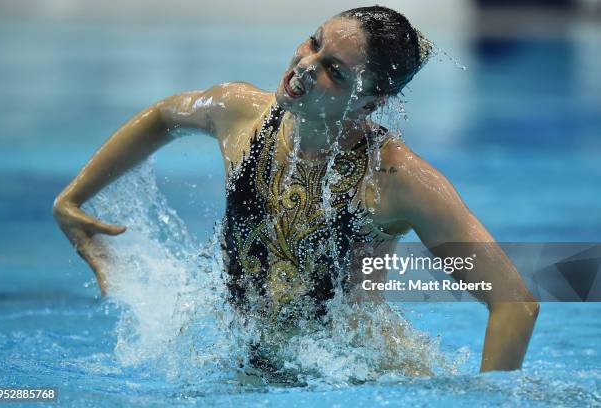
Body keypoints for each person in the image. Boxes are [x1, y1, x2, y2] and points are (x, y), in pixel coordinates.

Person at [53, 6, 539, 374]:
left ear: (371, 101)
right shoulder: (239, 113)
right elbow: (162, 117)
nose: (306, 66)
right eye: (314, 44)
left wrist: (490, 401)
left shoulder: (398, 182)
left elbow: (514, 303)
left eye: (335, 71)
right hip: (250, 359)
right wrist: (73, 198)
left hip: (360, 376)